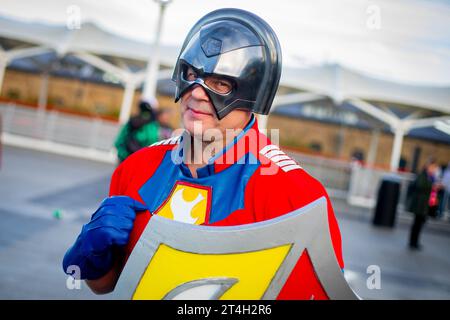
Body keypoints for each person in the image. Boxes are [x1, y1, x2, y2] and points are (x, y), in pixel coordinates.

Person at [62, 8, 344, 299]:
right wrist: (94, 257)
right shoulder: (138, 168)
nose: (196, 93)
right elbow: (107, 285)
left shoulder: (297, 197)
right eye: (192, 74)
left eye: (220, 83)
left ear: (254, 94)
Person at [408, 157, 440, 250]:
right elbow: (421, 185)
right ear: (428, 166)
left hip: (424, 204)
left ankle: (415, 242)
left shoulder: (431, 176)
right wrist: (433, 186)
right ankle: (412, 242)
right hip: (420, 204)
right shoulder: (423, 174)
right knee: (417, 223)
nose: (434, 169)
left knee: (420, 223)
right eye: (433, 167)